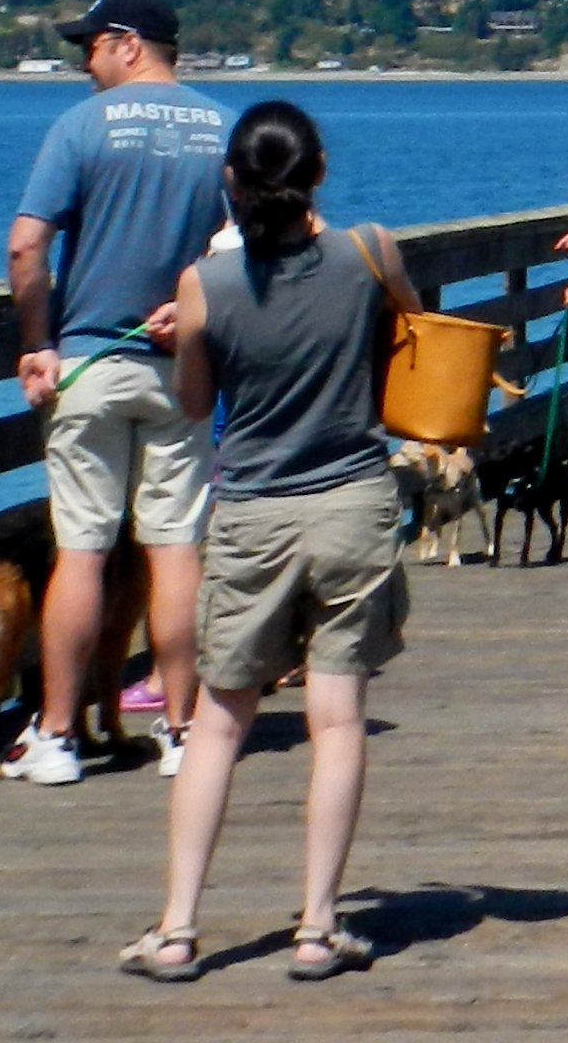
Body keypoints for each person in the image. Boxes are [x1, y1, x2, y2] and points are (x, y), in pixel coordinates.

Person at [125, 104, 406, 985]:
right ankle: (318, 929)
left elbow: (198, 405)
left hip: (251, 515)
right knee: (337, 718)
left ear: (232, 184)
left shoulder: (207, 282)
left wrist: (186, 335)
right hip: (354, 503)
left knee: (217, 723)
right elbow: (411, 333)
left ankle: (176, 931)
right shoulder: (370, 250)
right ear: (318, 170)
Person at [6, 0, 232, 782]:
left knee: (83, 550)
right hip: (181, 366)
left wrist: (38, 344)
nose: (83, 61)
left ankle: (59, 737)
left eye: (90, 45)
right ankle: (182, 730)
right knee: (176, 549)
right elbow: (253, 247)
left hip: (92, 363)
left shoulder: (79, 129)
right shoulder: (222, 128)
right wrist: (192, 302)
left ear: (129, 44)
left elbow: (26, 247)